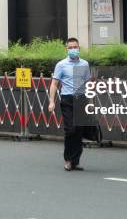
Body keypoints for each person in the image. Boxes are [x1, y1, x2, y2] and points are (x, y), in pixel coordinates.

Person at [48, 37, 91, 171]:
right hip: (67, 99)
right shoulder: (61, 65)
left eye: (75, 47)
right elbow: (54, 84)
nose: (73, 50)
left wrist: (91, 101)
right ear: (66, 49)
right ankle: (67, 159)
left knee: (79, 131)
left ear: (79, 48)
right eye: (70, 48)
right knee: (70, 130)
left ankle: (75, 161)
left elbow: (88, 83)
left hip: (81, 99)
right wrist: (51, 101)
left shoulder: (84, 64)